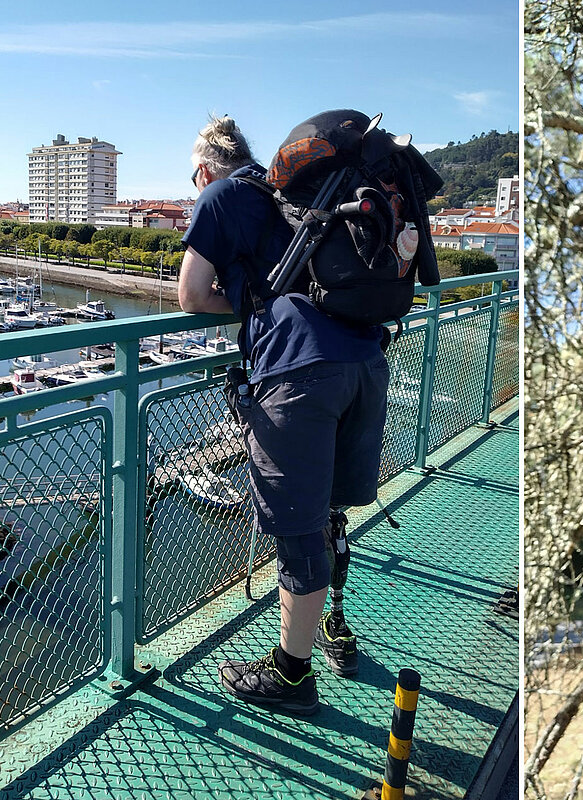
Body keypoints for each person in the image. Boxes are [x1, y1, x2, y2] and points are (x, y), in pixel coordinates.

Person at [179, 114, 391, 715]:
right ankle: (331, 627)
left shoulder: (219, 197)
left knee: (298, 537)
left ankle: (292, 678)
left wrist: (247, 309)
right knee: (326, 510)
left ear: (203, 170)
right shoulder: (294, 195)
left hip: (300, 373)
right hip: (365, 360)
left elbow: (191, 296)